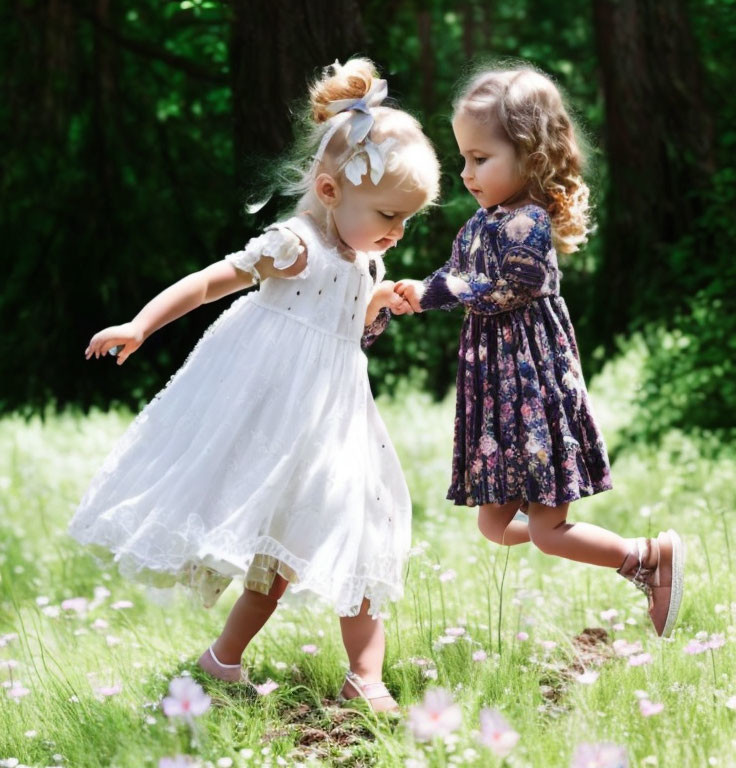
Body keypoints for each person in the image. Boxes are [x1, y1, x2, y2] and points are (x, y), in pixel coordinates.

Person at [70, 58, 441, 711]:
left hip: (338, 421)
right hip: (277, 418)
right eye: (388, 212)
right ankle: (226, 661)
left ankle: (361, 676)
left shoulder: (366, 254)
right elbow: (214, 279)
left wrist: (377, 299)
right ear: (329, 191)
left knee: (362, 526)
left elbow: (344, 324)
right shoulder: (295, 244)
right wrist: (143, 322)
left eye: (407, 219)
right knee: (279, 556)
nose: (397, 230)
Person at [395, 66, 683, 637]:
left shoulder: (527, 222)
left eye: (481, 159)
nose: (466, 173)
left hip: (530, 390)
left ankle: (647, 557)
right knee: (496, 527)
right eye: (464, 159)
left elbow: (511, 287)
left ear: (529, 155)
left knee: (549, 531)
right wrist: (402, 296)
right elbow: (456, 275)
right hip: (498, 394)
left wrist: (433, 294)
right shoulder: (482, 222)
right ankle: (643, 558)